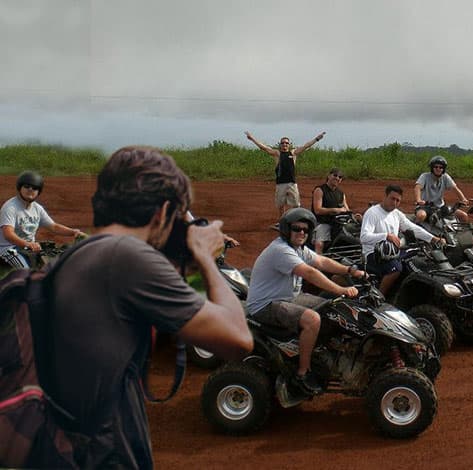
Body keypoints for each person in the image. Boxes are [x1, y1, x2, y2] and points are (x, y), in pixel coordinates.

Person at [46, 147, 253, 468]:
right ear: (163, 211)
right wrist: (205, 256)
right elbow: (237, 339)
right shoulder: (129, 259)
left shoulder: (84, 254)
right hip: (102, 452)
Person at [245, 208, 365, 394]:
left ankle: (320, 351)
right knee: (312, 319)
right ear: (286, 230)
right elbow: (310, 272)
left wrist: (350, 270)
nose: (302, 232)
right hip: (266, 304)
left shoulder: (298, 249)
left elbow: (322, 262)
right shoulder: (281, 250)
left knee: (332, 307)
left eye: (306, 230)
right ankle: (303, 372)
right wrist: (341, 289)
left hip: (287, 297)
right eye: (297, 228)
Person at [361, 184, 445, 296]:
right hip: (374, 253)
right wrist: (386, 236)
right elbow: (364, 237)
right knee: (395, 268)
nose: (395, 202)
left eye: (398, 200)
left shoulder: (397, 214)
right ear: (385, 196)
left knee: (419, 257)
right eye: (392, 198)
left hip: (393, 252)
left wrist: (433, 239)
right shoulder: (372, 213)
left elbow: (413, 228)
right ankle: (379, 296)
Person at [0, 171, 85, 268]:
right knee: (26, 272)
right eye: (27, 186)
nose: (30, 189)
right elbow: (8, 234)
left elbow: (54, 227)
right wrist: (27, 244)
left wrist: (73, 232)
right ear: (20, 188)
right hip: (8, 249)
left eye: (35, 188)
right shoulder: (10, 207)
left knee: (57, 262)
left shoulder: (37, 208)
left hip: (28, 248)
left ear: (38, 191)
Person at [244, 130, 326, 221]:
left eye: (286, 143)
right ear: (280, 144)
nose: (284, 145)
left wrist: (317, 139)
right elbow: (263, 147)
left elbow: (306, 146)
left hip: (292, 183)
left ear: (289, 144)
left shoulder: (293, 153)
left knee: (296, 205)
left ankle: (295, 220)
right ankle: (281, 222)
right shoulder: (277, 154)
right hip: (280, 184)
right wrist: (252, 139)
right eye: (283, 143)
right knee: (280, 205)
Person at [311, 167, 361, 254]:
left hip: (339, 224)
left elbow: (346, 210)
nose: (337, 178)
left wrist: (354, 216)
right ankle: (317, 262)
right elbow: (317, 210)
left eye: (340, 177)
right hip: (324, 223)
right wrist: (334, 210)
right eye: (335, 175)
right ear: (329, 176)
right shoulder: (320, 190)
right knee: (319, 244)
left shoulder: (341, 193)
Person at [414, 155, 469, 223]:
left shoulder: (445, 177)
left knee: (463, 215)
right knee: (421, 216)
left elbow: (455, 188)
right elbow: (417, 187)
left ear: (443, 169)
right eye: (436, 167)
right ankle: (414, 230)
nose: (438, 169)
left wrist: (463, 199)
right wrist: (418, 200)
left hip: (441, 207)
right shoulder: (425, 176)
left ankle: (460, 234)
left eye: (441, 167)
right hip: (425, 206)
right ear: (432, 168)